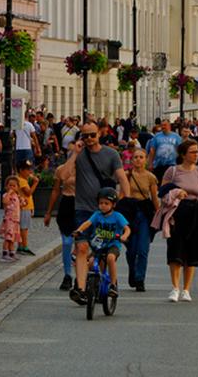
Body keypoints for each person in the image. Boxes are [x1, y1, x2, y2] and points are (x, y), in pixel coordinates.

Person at [69, 124, 131, 305]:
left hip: (107, 213)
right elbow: (64, 175)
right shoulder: (78, 154)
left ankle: (108, 283)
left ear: (99, 134)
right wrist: (74, 155)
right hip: (83, 209)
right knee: (81, 248)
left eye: (92, 135)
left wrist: (123, 202)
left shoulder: (111, 154)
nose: (89, 139)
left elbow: (122, 179)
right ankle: (80, 289)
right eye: (85, 135)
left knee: (104, 251)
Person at [158, 140, 198, 302]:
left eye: (197, 151)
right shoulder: (172, 171)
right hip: (176, 212)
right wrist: (176, 191)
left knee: (192, 250)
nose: (196, 154)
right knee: (176, 249)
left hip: (195, 211)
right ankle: (175, 287)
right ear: (183, 155)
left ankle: (186, 289)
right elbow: (162, 192)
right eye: (192, 152)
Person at [73, 187, 131, 297]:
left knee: (110, 258)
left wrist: (124, 236)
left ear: (113, 205)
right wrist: (79, 230)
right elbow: (87, 223)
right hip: (98, 246)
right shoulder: (97, 215)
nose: (103, 206)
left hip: (112, 245)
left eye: (106, 203)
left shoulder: (117, 216)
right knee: (90, 263)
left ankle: (113, 285)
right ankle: (89, 286)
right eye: (101, 203)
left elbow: (127, 228)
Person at [44, 140, 80, 290]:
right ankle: (67, 275)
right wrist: (48, 212)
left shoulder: (86, 168)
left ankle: (81, 276)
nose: (72, 154)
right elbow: (55, 191)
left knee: (81, 244)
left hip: (81, 205)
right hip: (66, 204)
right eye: (70, 152)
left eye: (75, 151)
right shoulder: (61, 169)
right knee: (66, 242)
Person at [123, 147, 158, 292]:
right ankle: (133, 271)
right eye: (135, 157)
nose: (138, 159)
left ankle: (140, 279)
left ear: (145, 160)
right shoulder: (126, 175)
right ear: (132, 160)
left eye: (141, 157)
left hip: (144, 212)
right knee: (131, 249)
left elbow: (154, 198)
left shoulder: (150, 177)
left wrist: (159, 215)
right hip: (129, 211)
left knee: (142, 249)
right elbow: (122, 195)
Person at [10, 159, 39, 256]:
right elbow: (28, 192)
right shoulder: (21, 181)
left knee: (23, 227)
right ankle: (24, 246)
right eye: (27, 170)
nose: (30, 172)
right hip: (24, 208)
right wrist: (35, 183)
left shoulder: (22, 180)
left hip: (26, 207)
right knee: (24, 228)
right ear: (21, 170)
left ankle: (21, 246)